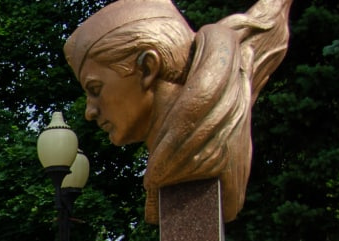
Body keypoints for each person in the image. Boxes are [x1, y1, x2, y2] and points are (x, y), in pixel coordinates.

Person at [64, 0, 293, 223]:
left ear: (147, 68)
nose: (90, 112)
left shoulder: (202, 150)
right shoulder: (175, 156)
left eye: (95, 89)